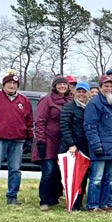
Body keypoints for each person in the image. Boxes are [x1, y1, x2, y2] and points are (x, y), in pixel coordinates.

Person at [0, 71, 34, 206]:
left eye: (15, 83)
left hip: (18, 140)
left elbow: (29, 121)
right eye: (9, 83)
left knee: (15, 169)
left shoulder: (24, 100)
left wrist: (29, 139)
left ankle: (12, 196)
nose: (12, 85)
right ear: (4, 84)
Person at [83, 75, 112, 212]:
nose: (109, 88)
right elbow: (90, 126)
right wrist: (96, 145)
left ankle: (104, 204)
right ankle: (93, 205)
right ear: (100, 87)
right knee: (97, 178)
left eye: (111, 86)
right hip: (100, 147)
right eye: (106, 86)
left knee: (110, 178)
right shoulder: (94, 103)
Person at [33, 75, 71, 211]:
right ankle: (44, 200)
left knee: (59, 172)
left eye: (64, 84)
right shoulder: (46, 100)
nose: (62, 86)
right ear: (54, 86)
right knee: (48, 171)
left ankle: (55, 197)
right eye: (59, 84)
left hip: (64, 141)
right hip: (49, 140)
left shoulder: (69, 100)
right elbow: (40, 121)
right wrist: (41, 141)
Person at [60, 82, 91, 210]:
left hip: (85, 147)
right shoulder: (69, 107)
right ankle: (72, 201)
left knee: (83, 176)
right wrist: (71, 144)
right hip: (72, 147)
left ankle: (79, 202)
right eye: (79, 92)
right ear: (74, 93)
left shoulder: (90, 107)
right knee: (72, 176)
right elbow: (64, 126)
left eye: (84, 92)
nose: (81, 94)